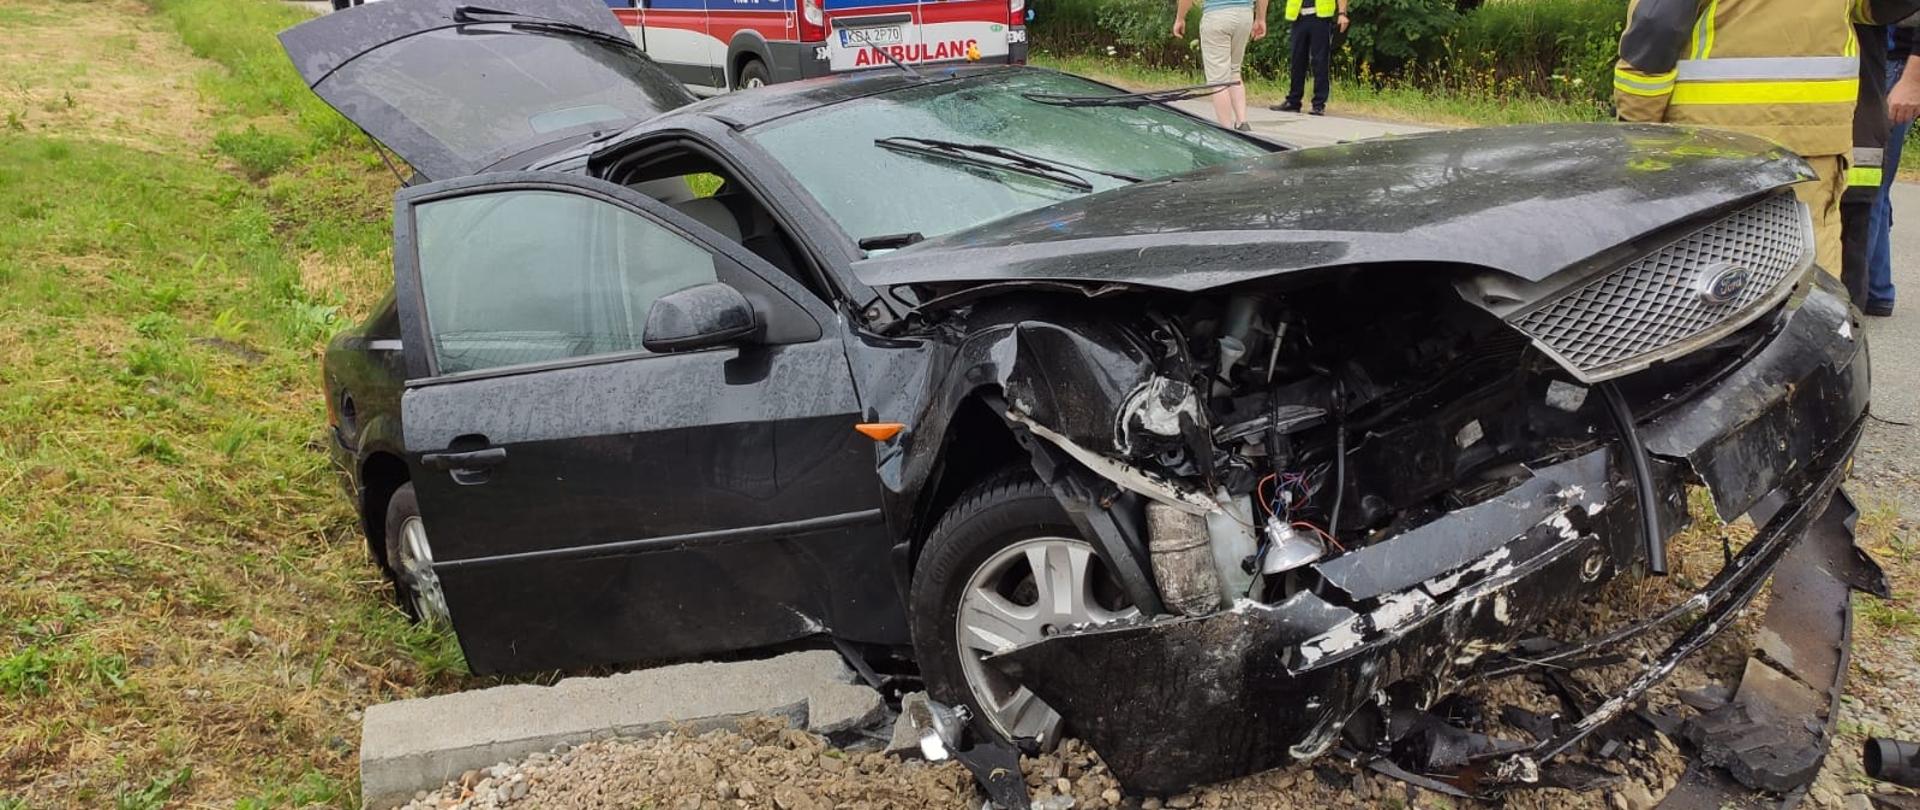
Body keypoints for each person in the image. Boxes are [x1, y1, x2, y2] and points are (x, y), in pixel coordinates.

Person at [1613, 0, 1862, 276]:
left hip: (1707, 144)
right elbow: (1881, 10)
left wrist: (1639, 134)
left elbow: (1657, 27)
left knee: (1705, 274)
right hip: (1815, 137)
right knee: (1807, 271)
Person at [1866, 26, 1919, 316]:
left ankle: (1852, 295)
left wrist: (1913, 79)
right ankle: (1876, 290)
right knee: (1875, 183)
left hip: (1893, 64)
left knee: (1866, 181)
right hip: (1882, 61)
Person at [1176, 0, 1268, 130]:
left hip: (1216, 15)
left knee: (1219, 80)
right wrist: (1260, 18)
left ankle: (1226, 129)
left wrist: (1180, 18)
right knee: (1234, 70)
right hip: (1245, 15)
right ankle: (1242, 122)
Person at [1272, 0, 1349, 115]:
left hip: (1320, 17)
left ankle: (1319, 104)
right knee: (1297, 60)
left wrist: (1342, 13)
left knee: (1320, 61)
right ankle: (1293, 101)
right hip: (1298, 16)